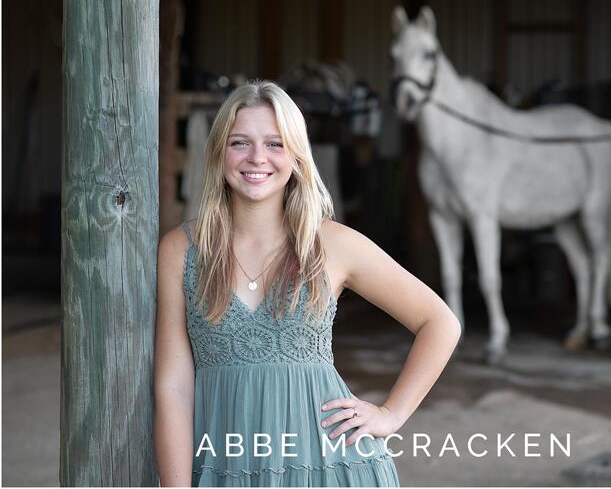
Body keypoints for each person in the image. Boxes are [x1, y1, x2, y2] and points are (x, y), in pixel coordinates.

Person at [154, 80, 462, 487]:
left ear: (297, 157)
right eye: (240, 142)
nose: (257, 158)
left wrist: (391, 413)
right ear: (218, 153)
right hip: (225, 468)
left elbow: (440, 322)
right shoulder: (182, 250)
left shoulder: (333, 244)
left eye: (276, 144)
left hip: (326, 467)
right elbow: (173, 387)